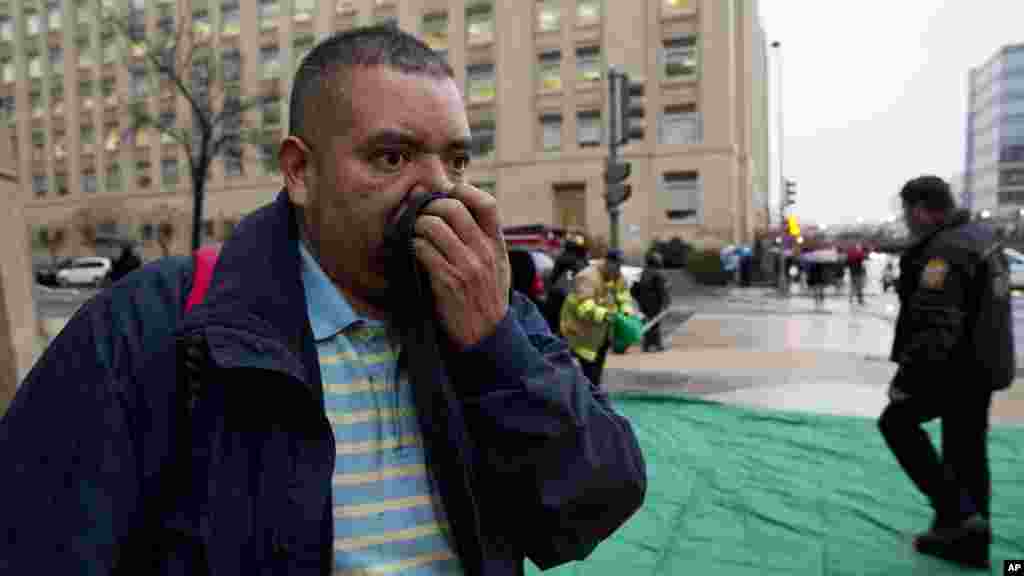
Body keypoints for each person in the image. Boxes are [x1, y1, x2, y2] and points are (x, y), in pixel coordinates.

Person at [0, 26, 647, 575]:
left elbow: (591, 506)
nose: (436, 190)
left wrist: (493, 347)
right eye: (392, 157)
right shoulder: (152, 327)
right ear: (299, 172)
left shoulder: (484, 312)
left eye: (455, 161)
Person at [878, 175, 1014, 570]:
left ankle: (958, 515)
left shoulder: (945, 251)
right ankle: (968, 542)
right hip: (984, 365)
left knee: (897, 423)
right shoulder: (982, 237)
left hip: (955, 368)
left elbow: (936, 325)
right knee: (967, 451)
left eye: (907, 212)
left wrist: (907, 383)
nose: (906, 221)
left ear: (921, 210)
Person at [561, 248, 636, 387]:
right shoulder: (587, 277)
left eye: (620, 265)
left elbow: (623, 296)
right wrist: (606, 315)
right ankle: (588, 395)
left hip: (600, 333)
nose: (618, 269)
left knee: (596, 373)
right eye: (616, 265)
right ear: (607, 262)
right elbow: (584, 307)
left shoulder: (617, 276)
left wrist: (626, 313)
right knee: (590, 373)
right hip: (582, 332)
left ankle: (592, 393)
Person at [543, 231, 589, 336]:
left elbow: (553, 277)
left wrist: (550, 288)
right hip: (575, 296)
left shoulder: (563, 258)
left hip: (559, 295)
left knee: (554, 323)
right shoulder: (582, 261)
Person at [632, 251, 671, 352]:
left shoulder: (641, 273)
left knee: (646, 322)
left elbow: (633, 289)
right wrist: (666, 302)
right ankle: (657, 344)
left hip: (643, 303)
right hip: (655, 303)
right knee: (655, 323)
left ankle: (647, 344)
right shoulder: (659, 274)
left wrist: (639, 299)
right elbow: (662, 290)